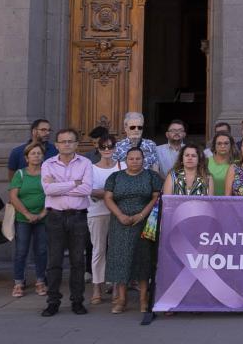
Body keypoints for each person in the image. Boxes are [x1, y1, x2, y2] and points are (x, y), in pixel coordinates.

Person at [104, 147, 162, 315]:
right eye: (131, 158)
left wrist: (142, 214)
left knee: (143, 260)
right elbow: (108, 197)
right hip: (119, 223)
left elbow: (156, 197)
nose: (135, 161)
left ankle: (144, 298)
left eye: (138, 158)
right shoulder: (115, 177)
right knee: (121, 259)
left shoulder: (151, 176)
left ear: (143, 160)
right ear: (125, 160)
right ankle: (121, 299)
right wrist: (120, 215)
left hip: (144, 223)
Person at [41, 128, 93, 316]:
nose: (67, 144)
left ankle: (77, 301)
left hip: (78, 216)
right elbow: (48, 189)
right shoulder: (47, 163)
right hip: (55, 217)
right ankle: (53, 301)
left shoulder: (86, 163)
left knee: (78, 261)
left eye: (70, 141)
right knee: (54, 261)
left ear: (77, 144)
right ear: (56, 145)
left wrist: (59, 186)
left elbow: (87, 189)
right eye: (63, 141)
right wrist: (73, 183)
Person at [8, 142, 48, 299]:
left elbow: (52, 194)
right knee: (21, 251)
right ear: (26, 157)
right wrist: (27, 214)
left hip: (43, 218)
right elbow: (13, 196)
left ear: (43, 156)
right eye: (33, 154)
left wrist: (43, 213)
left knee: (42, 251)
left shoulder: (47, 173)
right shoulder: (20, 174)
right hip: (23, 219)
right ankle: (18, 282)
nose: (36, 156)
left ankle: (40, 281)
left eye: (39, 153)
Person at [87, 134, 122, 306]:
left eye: (110, 146)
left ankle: (115, 286)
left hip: (118, 213)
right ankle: (96, 287)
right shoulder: (91, 168)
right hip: (96, 212)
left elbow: (123, 190)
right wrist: (112, 193)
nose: (107, 150)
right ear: (98, 149)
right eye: (103, 147)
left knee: (116, 250)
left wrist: (104, 193)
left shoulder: (121, 166)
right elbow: (90, 191)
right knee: (98, 250)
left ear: (115, 148)